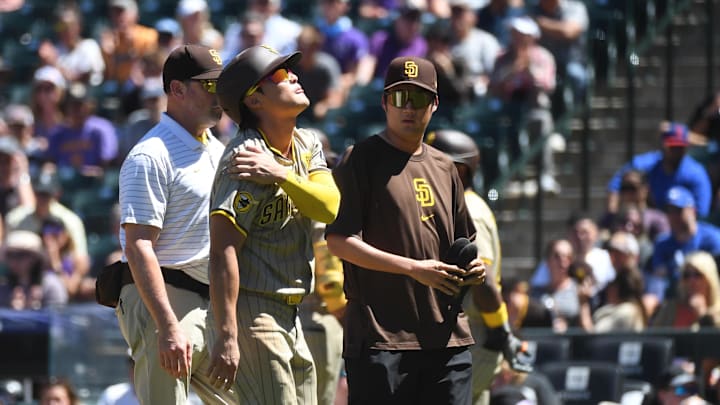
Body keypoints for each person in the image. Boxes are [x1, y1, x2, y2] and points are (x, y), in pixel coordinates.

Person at [325, 56, 486, 403]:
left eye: (419, 98)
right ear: (384, 102)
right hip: (381, 339)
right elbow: (339, 241)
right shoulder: (360, 159)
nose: (408, 108)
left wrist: (475, 269)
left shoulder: (445, 167)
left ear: (435, 104)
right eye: (399, 98)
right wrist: (413, 269)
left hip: (446, 338)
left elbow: (465, 242)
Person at [209, 44, 341, 403]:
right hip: (254, 311)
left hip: (291, 310)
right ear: (254, 100)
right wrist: (228, 334)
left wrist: (280, 175)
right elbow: (223, 251)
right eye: (280, 74)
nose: (294, 76)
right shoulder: (244, 158)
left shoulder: (306, 142)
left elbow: (329, 207)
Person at [116, 44, 235, 405]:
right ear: (177, 89)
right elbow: (139, 245)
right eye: (210, 86)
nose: (220, 96)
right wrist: (167, 324)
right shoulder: (150, 155)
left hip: (208, 299)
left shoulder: (217, 149)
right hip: (164, 299)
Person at [425, 128, 532, 405]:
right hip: (468, 336)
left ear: (459, 171)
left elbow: (480, 280)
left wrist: (501, 330)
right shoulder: (454, 206)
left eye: (435, 162)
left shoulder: (469, 209)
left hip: (475, 336)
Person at [606, 121, 713, 219]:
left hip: (681, 226)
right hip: (650, 223)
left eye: (680, 147)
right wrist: (613, 213)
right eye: (673, 147)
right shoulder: (652, 162)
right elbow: (618, 180)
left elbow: (702, 214)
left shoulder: (695, 173)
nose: (677, 151)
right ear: (663, 146)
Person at [645, 186, 720, 306]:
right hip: (673, 302)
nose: (673, 216)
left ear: (693, 211)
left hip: (709, 299)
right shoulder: (662, 244)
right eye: (669, 211)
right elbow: (659, 276)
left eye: (678, 211)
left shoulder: (712, 238)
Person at [0, 230, 68, 309]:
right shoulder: (3, 289)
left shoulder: (51, 285)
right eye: (10, 255)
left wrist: (33, 312)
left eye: (21, 255)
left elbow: (58, 317)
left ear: (35, 258)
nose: (14, 261)